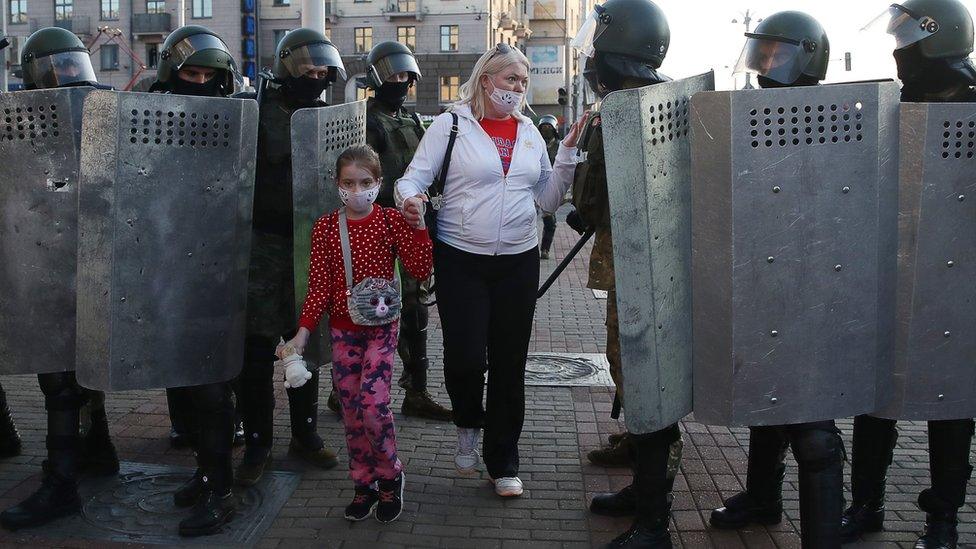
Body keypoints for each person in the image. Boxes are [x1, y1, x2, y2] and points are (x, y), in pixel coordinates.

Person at [396, 43, 579, 498]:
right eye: (510, 79)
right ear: (486, 80)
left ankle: (503, 461)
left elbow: (548, 199)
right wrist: (411, 201)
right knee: (464, 359)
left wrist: (568, 158)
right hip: (461, 258)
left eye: (523, 81)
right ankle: (466, 425)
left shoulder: (532, 132)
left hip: (518, 260)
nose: (517, 89)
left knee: (508, 363)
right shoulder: (451, 124)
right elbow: (412, 178)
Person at [707, 12, 845, 549]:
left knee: (811, 421)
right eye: (761, 53)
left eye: (777, 54)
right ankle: (763, 495)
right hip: (762, 273)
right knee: (768, 392)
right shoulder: (750, 110)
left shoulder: (835, 115)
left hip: (813, 278)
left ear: (807, 55)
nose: (766, 65)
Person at [842, 2, 976, 547]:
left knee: (953, 401)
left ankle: (942, 518)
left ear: (935, 39)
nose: (898, 52)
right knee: (877, 395)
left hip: (959, 274)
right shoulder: (895, 104)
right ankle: (866, 504)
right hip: (893, 265)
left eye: (906, 40)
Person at [568, 1, 684, 546]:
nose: (593, 58)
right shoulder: (623, 104)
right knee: (628, 369)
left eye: (601, 45)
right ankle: (643, 487)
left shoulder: (653, 108)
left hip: (649, 265)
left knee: (647, 378)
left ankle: (655, 522)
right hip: (626, 259)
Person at [0, 26, 119, 531]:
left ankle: (68, 476)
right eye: (54, 69)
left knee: (72, 375)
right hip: (45, 259)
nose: (66, 76)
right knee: (61, 374)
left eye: (72, 65)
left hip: (95, 257)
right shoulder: (17, 120)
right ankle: (84, 459)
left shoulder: (106, 112)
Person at [283, 144, 432, 523]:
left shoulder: (390, 221)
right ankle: (362, 483)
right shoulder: (327, 227)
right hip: (344, 331)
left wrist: (418, 227)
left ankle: (390, 476)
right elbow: (318, 286)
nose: (356, 189)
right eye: (348, 182)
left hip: (382, 329)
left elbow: (420, 267)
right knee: (351, 412)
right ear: (337, 185)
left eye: (365, 182)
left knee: (373, 406)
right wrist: (302, 333)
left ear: (379, 183)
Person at [235, 28, 345, 486]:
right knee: (258, 350)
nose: (316, 77)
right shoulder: (256, 115)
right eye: (308, 70)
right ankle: (258, 441)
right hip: (263, 247)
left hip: (308, 246)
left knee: (307, 344)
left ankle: (306, 435)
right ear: (286, 68)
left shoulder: (327, 118)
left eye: (323, 71)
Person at [144, 25, 243, 537]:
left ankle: (222, 491)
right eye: (191, 74)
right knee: (185, 382)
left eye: (209, 75)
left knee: (211, 388)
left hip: (218, 269)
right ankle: (206, 473)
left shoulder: (238, 119)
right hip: (168, 265)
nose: (200, 83)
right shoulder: (148, 115)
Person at [325, 40, 452, 422]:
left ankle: (417, 390)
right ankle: (341, 389)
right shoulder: (366, 121)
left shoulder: (411, 120)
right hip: (375, 230)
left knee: (415, 311)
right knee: (365, 307)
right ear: (378, 78)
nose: (400, 82)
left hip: (408, 226)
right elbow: (360, 177)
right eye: (393, 75)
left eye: (405, 76)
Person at [537, 114, 560, 260]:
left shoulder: (559, 146)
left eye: (548, 127)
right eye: (543, 127)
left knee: (550, 221)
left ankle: (545, 249)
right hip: (532, 184)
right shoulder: (534, 143)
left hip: (549, 186)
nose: (546, 130)